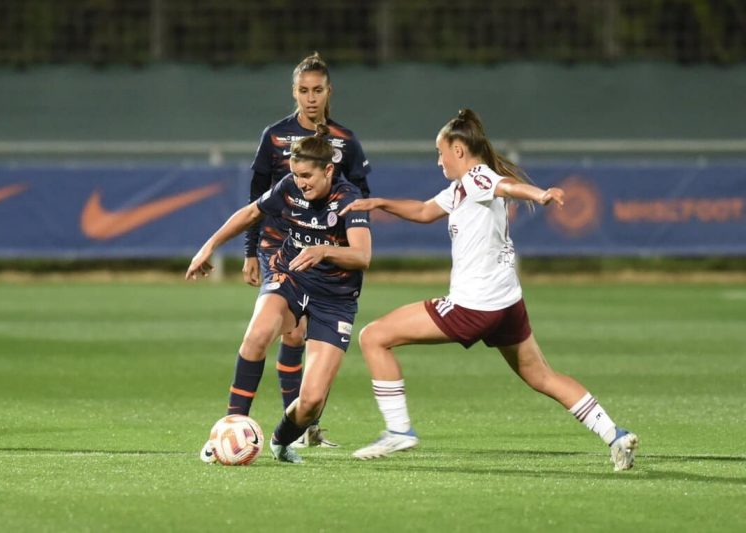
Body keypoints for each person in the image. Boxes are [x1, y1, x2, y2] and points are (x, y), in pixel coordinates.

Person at [340, 109, 639, 471]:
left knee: (373, 336)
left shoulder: (479, 177)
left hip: (474, 305)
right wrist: (379, 203)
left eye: (441, 153)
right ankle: (616, 434)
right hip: (507, 303)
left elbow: (506, 186)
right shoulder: (461, 188)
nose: (439, 161)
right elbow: (422, 210)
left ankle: (399, 430)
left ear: (460, 151)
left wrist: (540, 194)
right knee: (542, 376)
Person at [188, 126, 371, 464]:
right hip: (292, 276)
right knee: (257, 335)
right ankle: (227, 430)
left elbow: (362, 255)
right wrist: (209, 245)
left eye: (307, 175)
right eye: (295, 174)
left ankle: (280, 441)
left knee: (312, 401)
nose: (300, 182)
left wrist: (324, 251)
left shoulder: (350, 201)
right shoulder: (288, 188)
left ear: (329, 170)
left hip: (335, 297)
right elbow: (251, 213)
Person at [242, 52, 372, 448]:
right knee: (291, 332)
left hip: (321, 249)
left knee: (300, 337)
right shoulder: (275, 136)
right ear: (294, 92)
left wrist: (347, 240)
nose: (310, 98)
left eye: (317, 90)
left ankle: (299, 427)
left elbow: (361, 197)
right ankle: (273, 427)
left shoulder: (345, 142)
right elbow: (256, 197)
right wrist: (250, 251)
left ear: (329, 91)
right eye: (303, 90)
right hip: (278, 244)